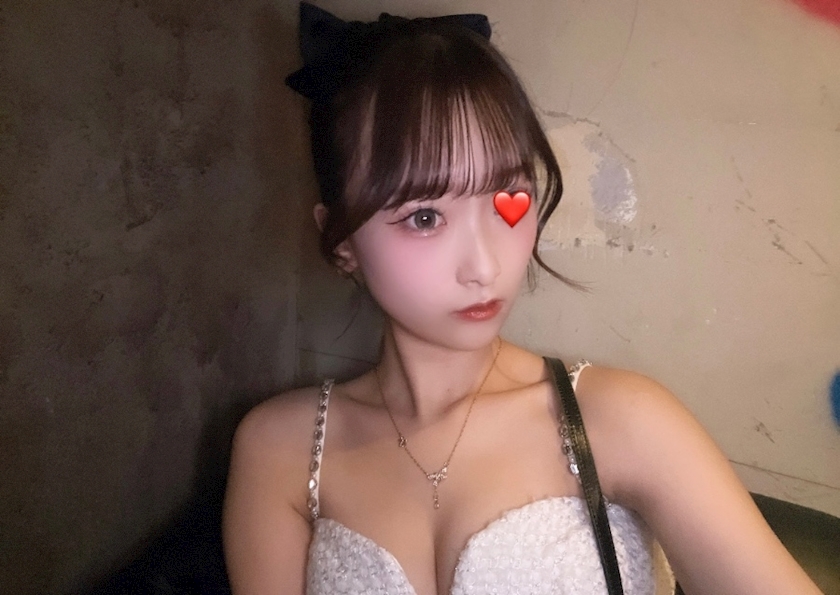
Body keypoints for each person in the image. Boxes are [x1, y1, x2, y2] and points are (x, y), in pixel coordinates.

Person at [222, 3, 823, 594]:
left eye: (507, 200)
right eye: (425, 217)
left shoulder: (623, 421)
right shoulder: (280, 450)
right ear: (342, 241)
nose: (486, 266)